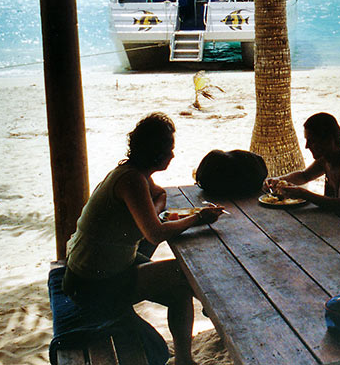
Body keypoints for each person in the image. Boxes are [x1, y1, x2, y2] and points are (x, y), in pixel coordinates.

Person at [63, 112, 223, 365]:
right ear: (155, 153)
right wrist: (198, 218)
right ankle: (201, 322)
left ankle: (185, 356)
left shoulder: (132, 172)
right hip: (90, 283)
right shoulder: (132, 180)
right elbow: (155, 233)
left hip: (93, 268)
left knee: (180, 286)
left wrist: (156, 206)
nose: (172, 155)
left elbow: (157, 195)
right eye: (169, 149)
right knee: (184, 275)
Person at [264, 112, 340, 242]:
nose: (307, 146)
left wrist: (303, 194)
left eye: (312, 140)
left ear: (329, 140)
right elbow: (304, 175)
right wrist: (279, 180)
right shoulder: (326, 160)